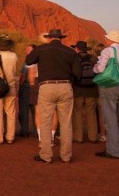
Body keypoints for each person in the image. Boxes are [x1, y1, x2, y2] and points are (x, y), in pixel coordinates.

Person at [26, 29, 81, 164]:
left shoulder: (42, 48)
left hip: (46, 87)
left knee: (46, 122)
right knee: (66, 123)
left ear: (49, 38)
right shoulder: (70, 51)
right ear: (61, 38)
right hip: (65, 87)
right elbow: (77, 73)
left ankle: (46, 155)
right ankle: (66, 156)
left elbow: (28, 60)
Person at [94, 30, 119, 159]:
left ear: (111, 40)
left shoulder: (107, 51)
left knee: (110, 118)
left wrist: (95, 68)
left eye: (107, 38)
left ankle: (113, 151)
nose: (106, 40)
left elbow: (101, 68)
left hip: (111, 85)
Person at [71, 41, 98, 144]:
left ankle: (78, 137)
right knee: (91, 113)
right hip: (92, 89)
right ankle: (93, 137)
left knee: (77, 113)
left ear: (77, 49)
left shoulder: (74, 58)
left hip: (77, 90)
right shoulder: (93, 58)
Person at [17, 45, 36, 138]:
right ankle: (37, 131)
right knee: (35, 110)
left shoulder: (28, 61)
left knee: (24, 110)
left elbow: (23, 75)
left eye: (29, 49)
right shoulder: (39, 60)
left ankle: (24, 131)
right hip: (36, 88)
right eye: (26, 49)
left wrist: (20, 85)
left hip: (26, 88)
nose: (26, 51)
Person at [93, 42, 107, 142]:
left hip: (99, 87)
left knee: (100, 111)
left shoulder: (96, 61)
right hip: (111, 85)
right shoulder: (109, 59)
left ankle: (102, 134)